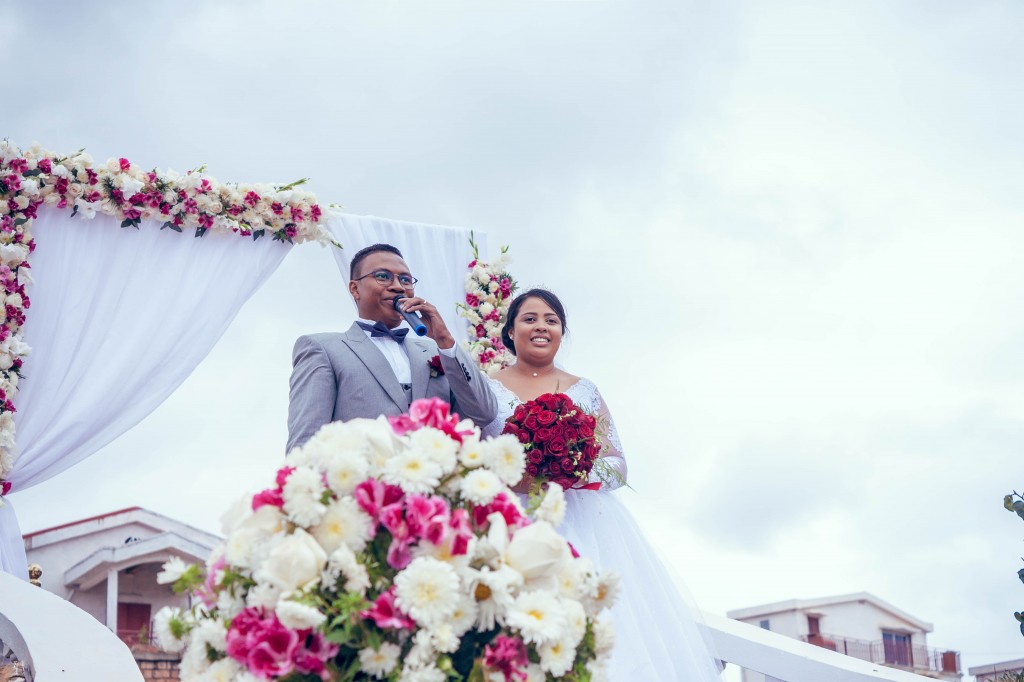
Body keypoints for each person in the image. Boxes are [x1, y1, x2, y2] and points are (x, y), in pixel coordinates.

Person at [481, 288, 723, 681]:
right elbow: (475, 457)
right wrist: (520, 475)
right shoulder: (487, 388)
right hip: (513, 521)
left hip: (588, 525)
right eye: (529, 319)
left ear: (562, 331)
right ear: (509, 332)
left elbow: (617, 465)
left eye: (551, 320)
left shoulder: (585, 390)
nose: (541, 326)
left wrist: (572, 472)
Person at [287, 243, 498, 452]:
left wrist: (445, 341)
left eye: (405, 280)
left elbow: (484, 414)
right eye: (383, 276)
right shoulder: (323, 348)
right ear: (355, 288)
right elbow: (306, 440)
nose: (398, 286)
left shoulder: (438, 351)